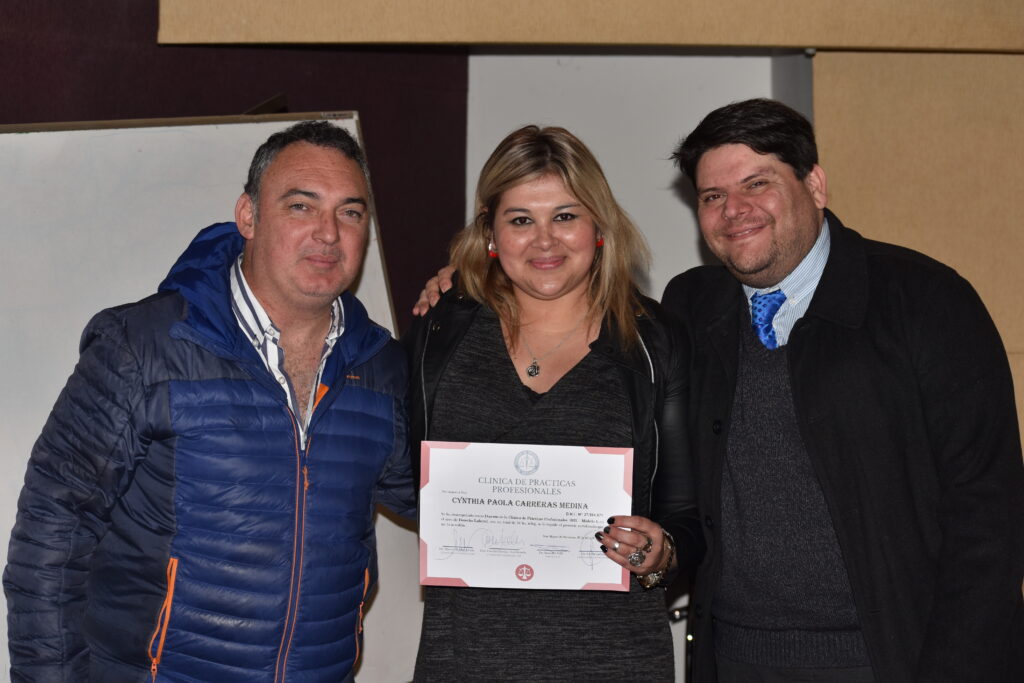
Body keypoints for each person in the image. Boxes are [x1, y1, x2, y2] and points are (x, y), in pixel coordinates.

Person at [4, 121, 415, 682]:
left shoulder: (381, 368)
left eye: (350, 212)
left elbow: (448, 500)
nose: (327, 233)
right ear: (248, 216)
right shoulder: (144, 347)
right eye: (301, 206)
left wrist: (476, 310)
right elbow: (50, 538)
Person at [662, 98, 1023, 682]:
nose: (734, 210)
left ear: (815, 185)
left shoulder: (927, 301)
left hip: (892, 661)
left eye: (758, 183)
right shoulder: (690, 307)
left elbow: (988, 516)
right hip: (734, 659)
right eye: (712, 196)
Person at [405, 125, 704, 681]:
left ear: (599, 227)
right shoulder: (442, 327)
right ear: (490, 233)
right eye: (521, 220)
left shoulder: (654, 340)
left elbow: (686, 515)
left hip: (616, 663)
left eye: (565, 216)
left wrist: (661, 553)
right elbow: (407, 476)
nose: (544, 241)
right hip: (461, 661)